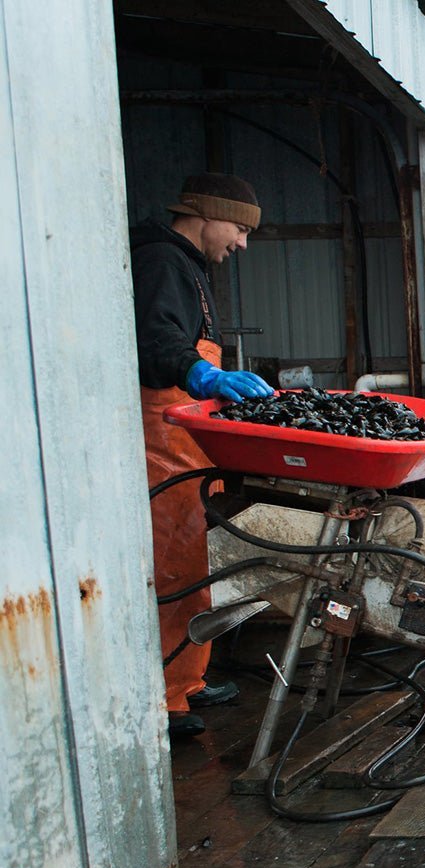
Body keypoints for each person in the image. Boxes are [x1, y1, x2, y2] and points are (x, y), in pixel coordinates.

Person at [131, 173, 274, 738]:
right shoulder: (161, 261)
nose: (242, 243)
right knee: (168, 565)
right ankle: (163, 698)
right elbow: (156, 340)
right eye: (239, 229)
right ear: (207, 215)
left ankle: (187, 680)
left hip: (189, 446)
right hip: (162, 444)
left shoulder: (189, 265)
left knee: (193, 562)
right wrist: (202, 374)